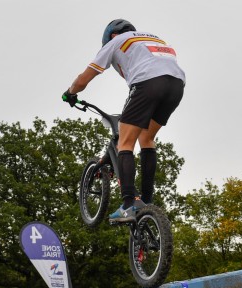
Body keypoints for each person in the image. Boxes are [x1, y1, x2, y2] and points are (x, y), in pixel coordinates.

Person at [63, 19, 186, 221]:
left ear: (112, 36)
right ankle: (146, 203)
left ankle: (129, 204)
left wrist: (70, 93)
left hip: (148, 83)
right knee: (146, 138)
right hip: (176, 85)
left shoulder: (115, 42)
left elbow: (83, 79)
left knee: (124, 143)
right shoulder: (151, 39)